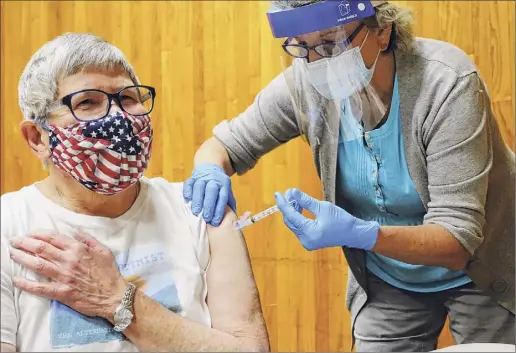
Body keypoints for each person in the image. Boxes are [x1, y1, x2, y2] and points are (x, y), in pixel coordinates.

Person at [183, 0, 515, 351]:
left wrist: (362, 233)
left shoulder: (446, 83)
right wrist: (209, 170)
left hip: (483, 267)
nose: (316, 63)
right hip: (389, 276)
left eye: (331, 42)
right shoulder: (306, 85)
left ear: (383, 30)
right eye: (301, 46)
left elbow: (457, 239)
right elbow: (222, 146)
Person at [0, 32, 269, 352]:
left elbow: (250, 349)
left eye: (127, 97)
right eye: (88, 101)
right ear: (37, 138)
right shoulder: (9, 226)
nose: (119, 116)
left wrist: (117, 300)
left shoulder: (199, 209)